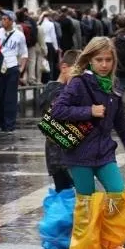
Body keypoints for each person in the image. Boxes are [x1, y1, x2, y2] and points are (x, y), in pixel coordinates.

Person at [50, 37, 125, 249]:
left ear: (114, 61)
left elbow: (120, 122)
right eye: (99, 59)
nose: (104, 64)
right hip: (78, 154)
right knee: (87, 209)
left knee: (119, 196)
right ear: (89, 59)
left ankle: (110, 244)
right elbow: (58, 110)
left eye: (108, 60)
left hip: (103, 152)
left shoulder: (114, 87)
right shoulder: (79, 83)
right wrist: (88, 111)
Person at [39, 50, 80, 192]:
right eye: (77, 71)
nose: (79, 77)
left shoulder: (57, 89)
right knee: (70, 195)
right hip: (60, 156)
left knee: (69, 196)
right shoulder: (57, 91)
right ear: (64, 68)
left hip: (63, 155)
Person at [0, 11, 28, 135]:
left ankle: (9, 124)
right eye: (2, 19)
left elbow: (24, 52)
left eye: (5, 19)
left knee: (11, 97)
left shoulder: (19, 35)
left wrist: (21, 68)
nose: (3, 21)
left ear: (11, 21)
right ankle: (0, 122)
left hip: (12, 66)